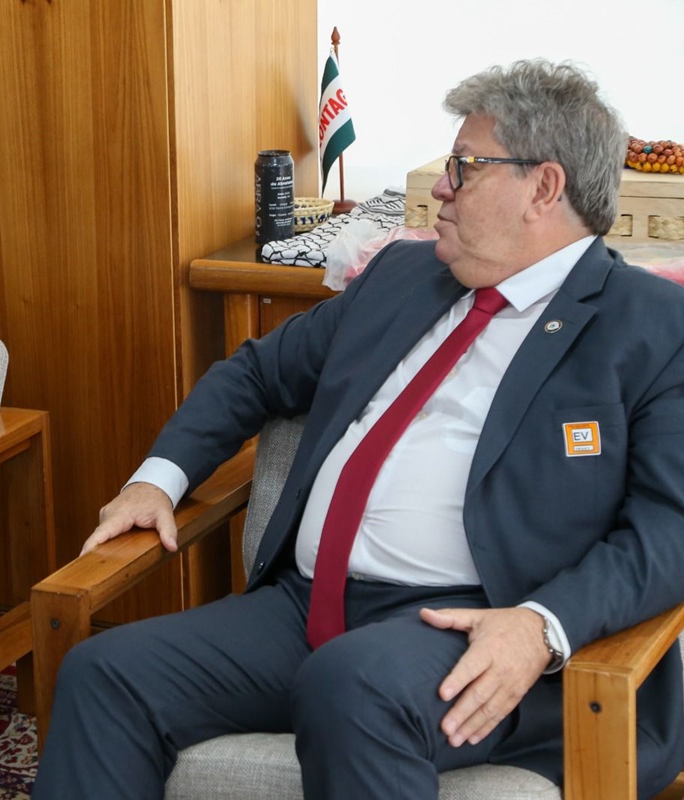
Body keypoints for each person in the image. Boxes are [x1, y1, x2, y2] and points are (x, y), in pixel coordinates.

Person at [34, 59, 684, 799]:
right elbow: (256, 373)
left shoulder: (652, 325)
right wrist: (158, 479)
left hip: (481, 629)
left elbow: (671, 526)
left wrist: (541, 624)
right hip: (306, 607)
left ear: (544, 188)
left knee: (353, 685)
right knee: (105, 673)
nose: (442, 187)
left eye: (464, 167)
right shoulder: (401, 277)